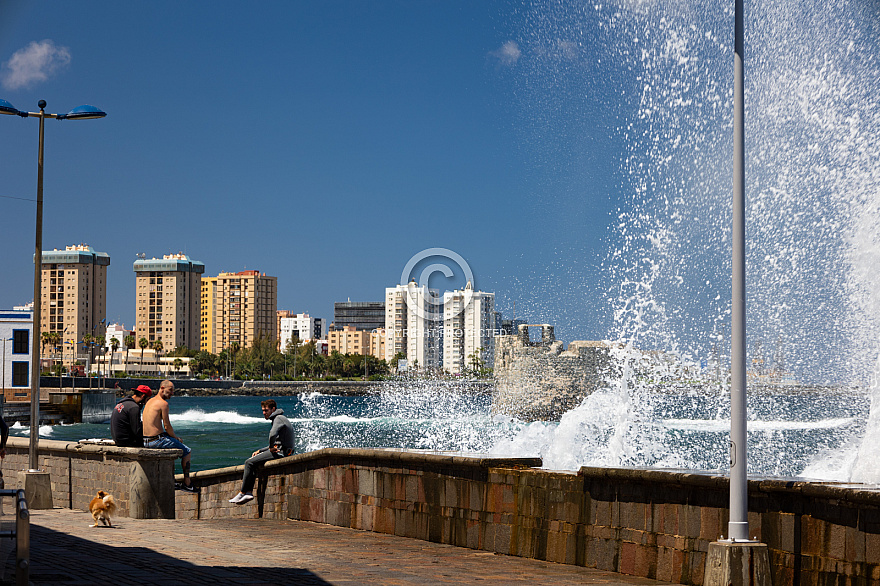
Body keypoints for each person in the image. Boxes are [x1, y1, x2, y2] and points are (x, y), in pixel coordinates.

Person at [229, 399, 295, 504]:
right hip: (284, 451)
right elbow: (276, 443)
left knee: (249, 462)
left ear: (273, 409)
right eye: (263, 410)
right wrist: (261, 450)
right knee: (254, 462)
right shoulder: (279, 418)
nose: (264, 413)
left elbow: (272, 435)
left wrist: (270, 447)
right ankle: (249, 492)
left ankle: (242, 493)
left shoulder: (278, 418)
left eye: (266, 410)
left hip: (281, 453)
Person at [142, 380, 197, 492]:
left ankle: (171, 478)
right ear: (162, 388)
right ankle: (187, 483)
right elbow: (167, 426)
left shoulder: (150, 401)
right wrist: (176, 438)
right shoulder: (163, 404)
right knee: (187, 451)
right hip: (155, 441)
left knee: (171, 442)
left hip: (145, 440)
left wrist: (172, 438)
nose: (172, 393)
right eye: (170, 390)